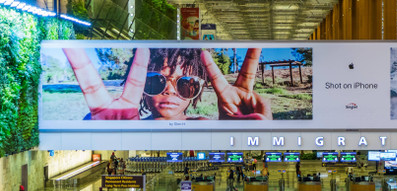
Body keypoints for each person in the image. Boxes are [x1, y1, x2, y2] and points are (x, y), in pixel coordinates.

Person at [63, 47, 272, 120]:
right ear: (140, 87)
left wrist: (242, 133)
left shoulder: (204, 126)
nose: (170, 90)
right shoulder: (128, 126)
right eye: (156, 81)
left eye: (185, 83)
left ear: (197, 90)